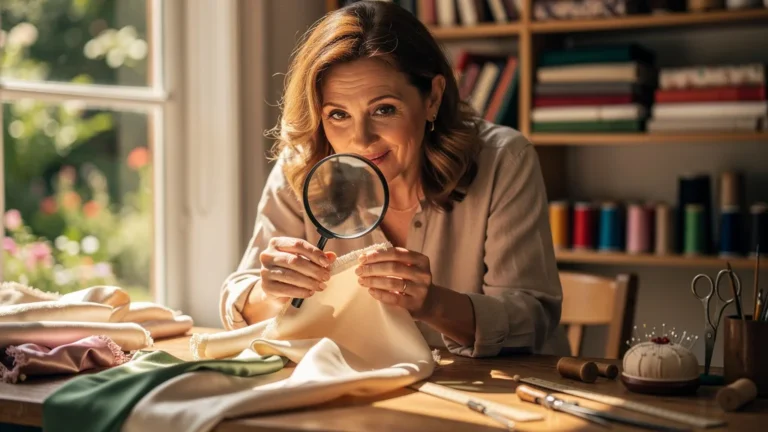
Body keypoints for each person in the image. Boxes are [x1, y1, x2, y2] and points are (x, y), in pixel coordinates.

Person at [219, 0, 570, 358]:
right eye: (338, 114)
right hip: (362, 394)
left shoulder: (503, 160)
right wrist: (271, 292)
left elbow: (533, 317)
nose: (362, 139)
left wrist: (434, 304)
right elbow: (240, 300)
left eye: (384, 109)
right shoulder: (303, 168)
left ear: (432, 98)